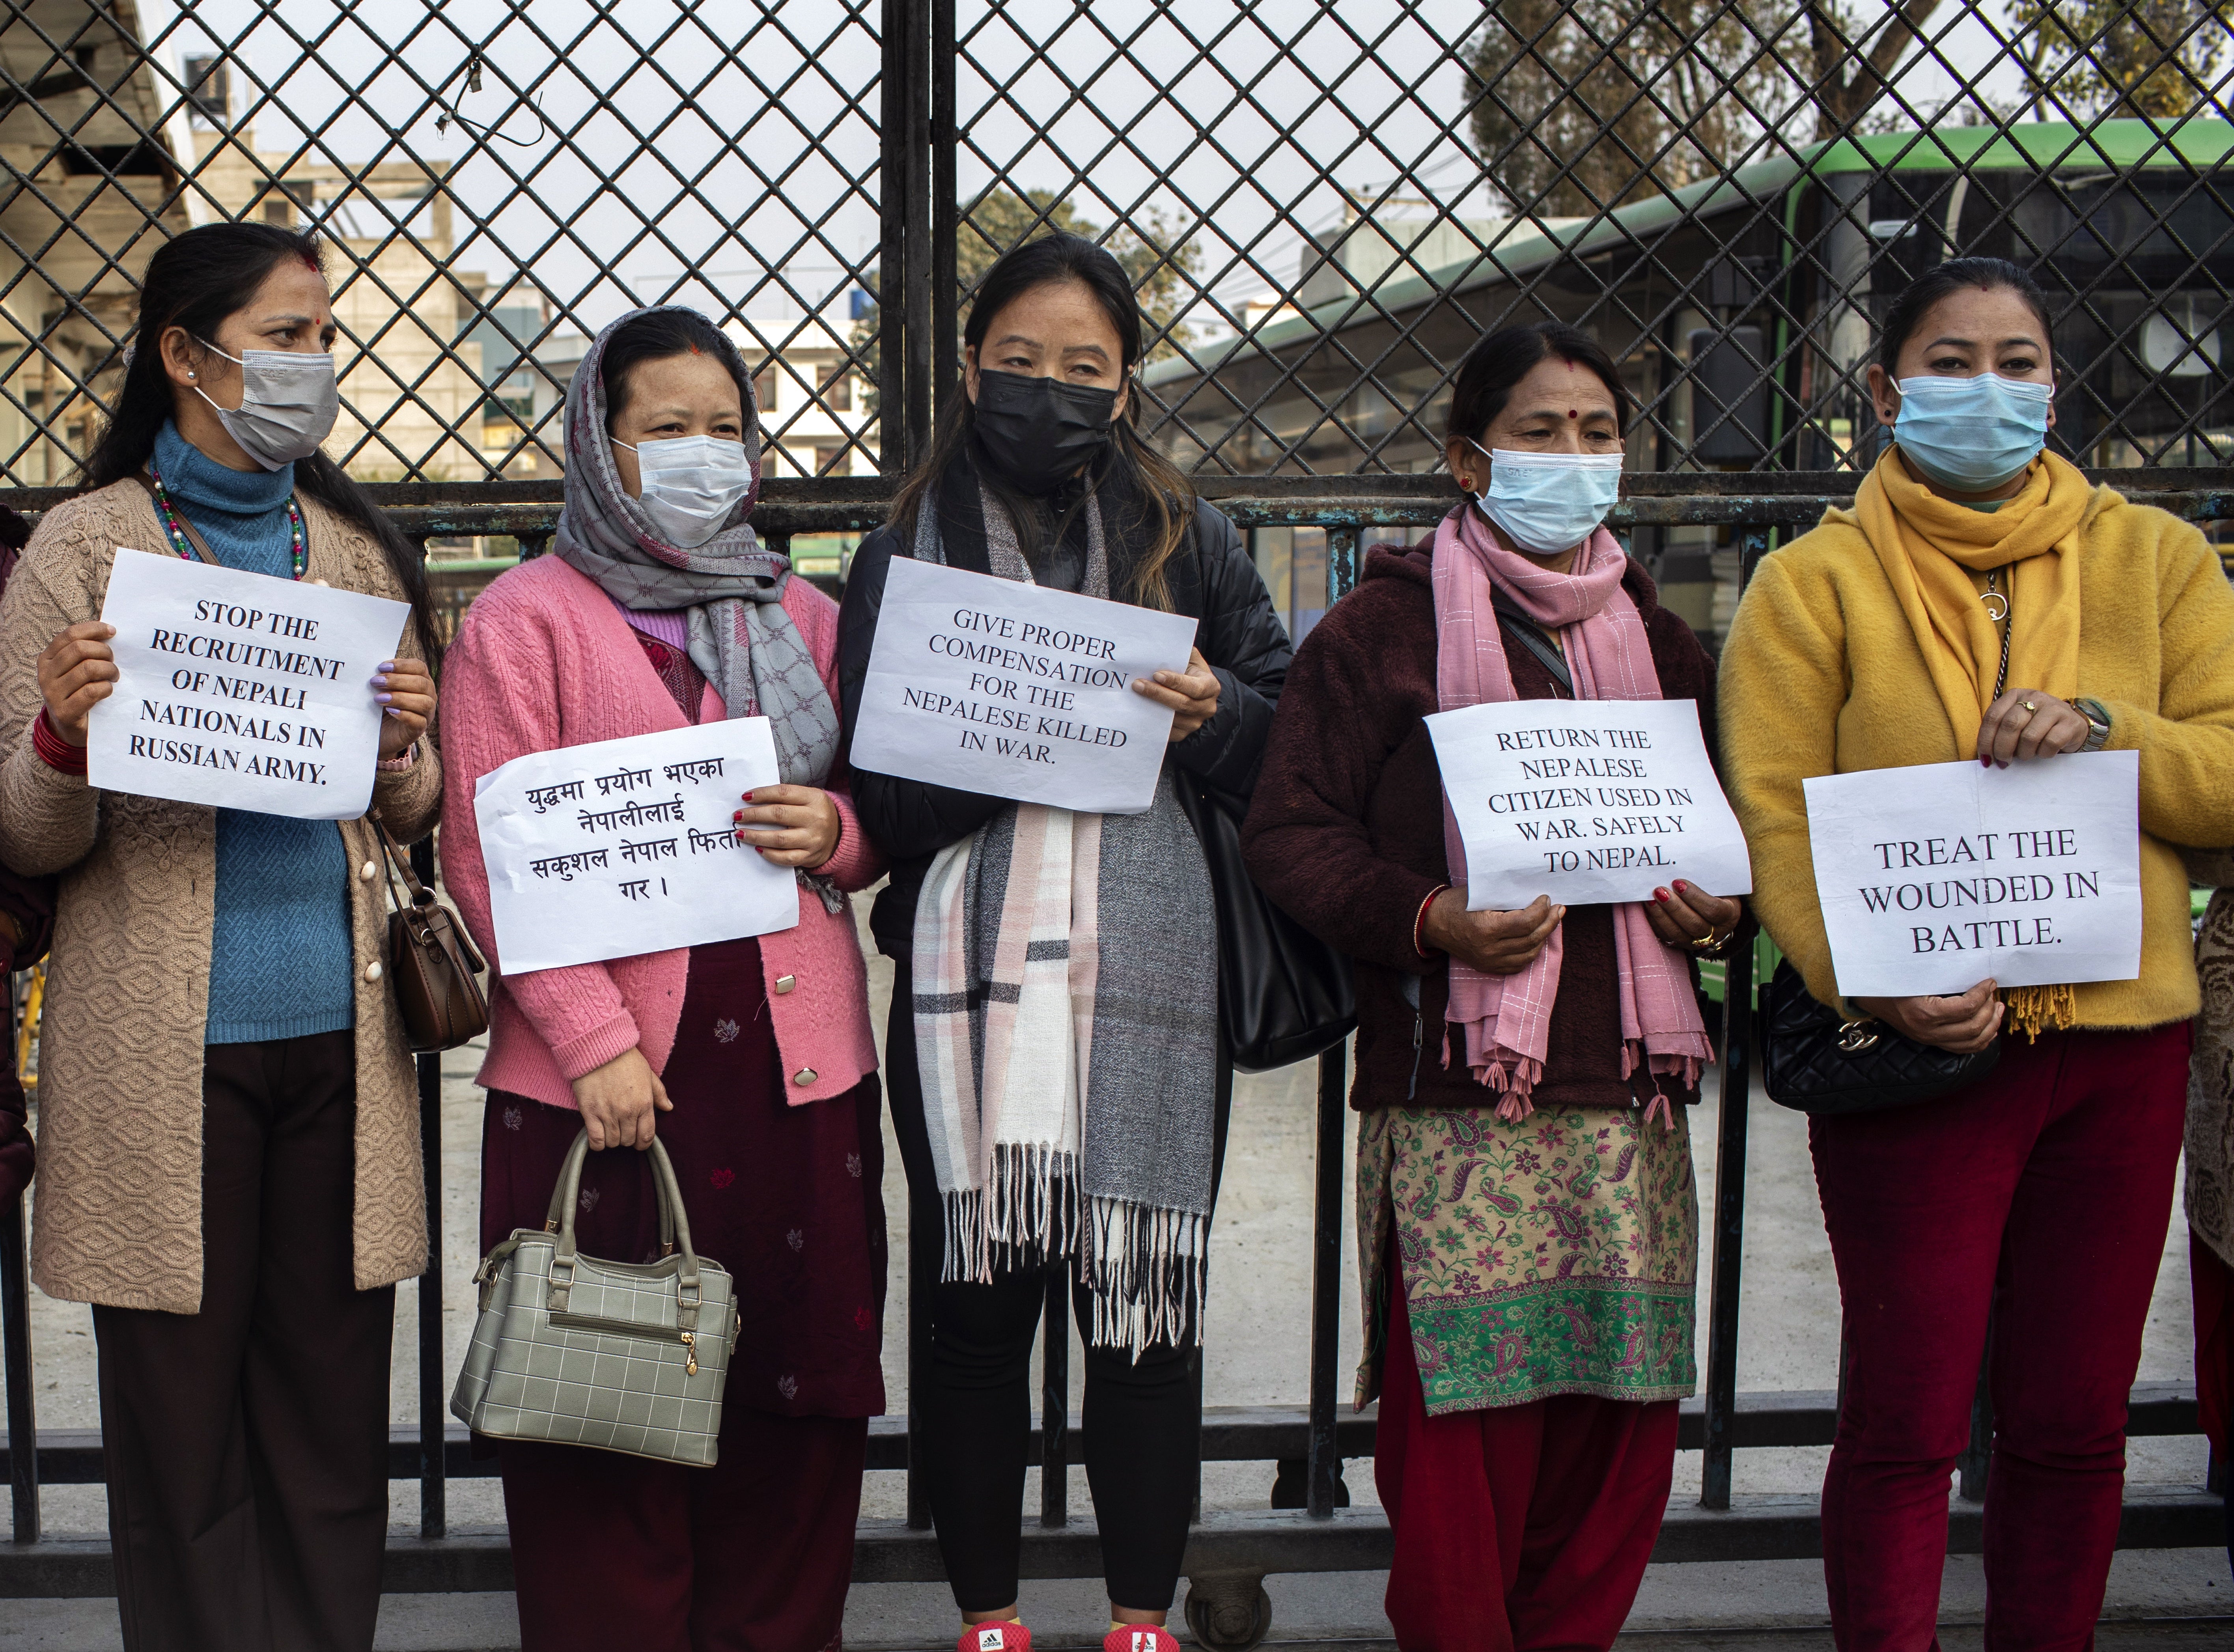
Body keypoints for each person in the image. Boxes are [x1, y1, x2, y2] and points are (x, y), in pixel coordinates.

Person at [1719, 256, 2234, 1647]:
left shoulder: (2159, 559)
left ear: (2054, 388)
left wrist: (2104, 725)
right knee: (1905, 1420)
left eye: (2018, 361)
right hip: (1920, 1049)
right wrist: (1866, 979)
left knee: (2071, 1423)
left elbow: (2230, 775)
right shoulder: (1808, 584)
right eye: (1950, 361)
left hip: (2118, 1054)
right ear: (1885, 390)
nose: (1988, 388)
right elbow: (1770, 815)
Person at [1241, 321, 1736, 1651]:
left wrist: (1715, 913)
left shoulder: (1662, 647)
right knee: (1464, 1430)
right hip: (1459, 1095)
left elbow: (1715, 850)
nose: (1570, 458)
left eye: (1594, 433)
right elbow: (1289, 834)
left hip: (1625, 1100)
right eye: (1536, 433)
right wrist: (1429, 918)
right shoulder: (1378, 634)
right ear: (1468, 458)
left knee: (1615, 1429)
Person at [836, 233, 1288, 1652]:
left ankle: (1141, 1619)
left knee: (1141, 1313)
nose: (1046, 391)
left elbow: (1284, 732)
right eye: (1018, 364)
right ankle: (988, 1619)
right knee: (975, 1314)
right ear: (970, 370)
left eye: (1082, 369)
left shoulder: (1186, 535)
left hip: (1153, 976)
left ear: (1128, 388)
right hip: (966, 990)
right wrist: (1026, 747)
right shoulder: (900, 550)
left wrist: (1214, 712)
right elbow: (880, 793)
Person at [0, 221, 443, 1652]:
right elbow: (28, 835)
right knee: (179, 1446)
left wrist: (405, 752)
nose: (315, 363)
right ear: (187, 355)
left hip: (341, 1043)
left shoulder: (356, 550)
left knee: (326, 1433)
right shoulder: (86, 544)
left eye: (323, 334)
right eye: (287, 335)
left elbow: (412, 810)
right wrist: (63, 736)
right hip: (158, 1062)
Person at [439, 305, 888, 1652]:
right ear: (601, 444)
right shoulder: (526, 622)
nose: (706, 454)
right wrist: (591, 1041)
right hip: (612, 1089)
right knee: (600, 1417)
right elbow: (484, 849)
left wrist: (845, 834)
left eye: (724, 428)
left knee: (787, 1418)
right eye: (666, 429)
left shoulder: (803, 614)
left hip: (795, 1078)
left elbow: (873, 809)